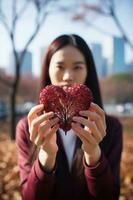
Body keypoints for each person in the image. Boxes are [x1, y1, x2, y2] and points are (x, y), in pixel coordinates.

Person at [16, 34, 123, 200]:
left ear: (88, 71)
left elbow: (110, 196)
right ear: (48, 70)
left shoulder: (111, 127)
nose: (67, 76)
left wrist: (94, 153)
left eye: (77, 67)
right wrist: (46, 155)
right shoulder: (28, 127)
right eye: (60, 66)